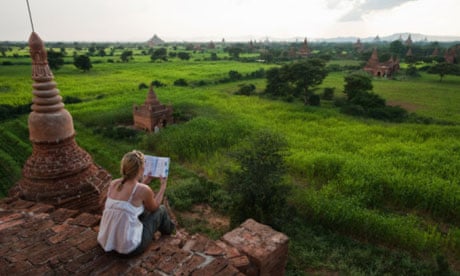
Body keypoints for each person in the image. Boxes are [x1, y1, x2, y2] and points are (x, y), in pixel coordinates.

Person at [97, 150, 175, 256]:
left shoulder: (114, 184)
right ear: (142, 169)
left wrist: (145, 181)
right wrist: (163, 187)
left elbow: (131, 197)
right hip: (129, 248)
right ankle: (171, 231)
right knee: (161, 210)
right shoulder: (143, 190)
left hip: (106, 242)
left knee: (139, 211)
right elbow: (154, 208)